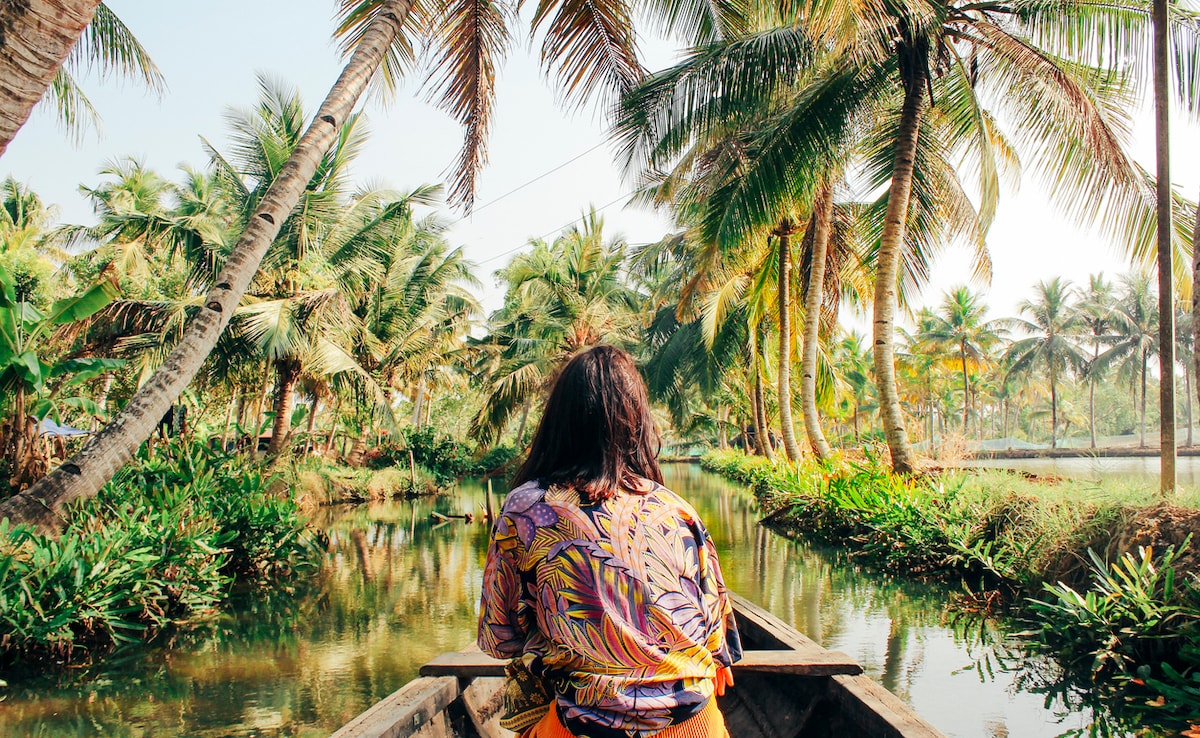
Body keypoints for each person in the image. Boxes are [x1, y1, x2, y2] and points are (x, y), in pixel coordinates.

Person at [478, 345, 741, 738]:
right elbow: (721, 646)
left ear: (558, 421)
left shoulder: (525, 508)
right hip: (695, 726)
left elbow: (500, 639)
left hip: (585, 726)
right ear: (636, 424)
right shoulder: (677, 509)